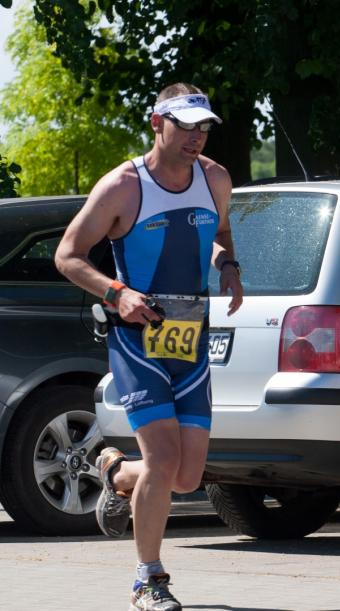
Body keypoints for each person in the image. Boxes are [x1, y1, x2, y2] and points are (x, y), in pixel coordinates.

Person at [55, 83, 244, 611]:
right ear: (157, 123)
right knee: (162, 460)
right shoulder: (123, 185)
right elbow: (68, 255)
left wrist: (229, 266)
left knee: (185, 476)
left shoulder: (215, 178)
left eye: (203, 127)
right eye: (185, 126)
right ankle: (148, 579)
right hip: (136, 341)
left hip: (191, 339)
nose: (195, 136)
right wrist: (117, 292)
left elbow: (221, 233)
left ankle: (115, 471)